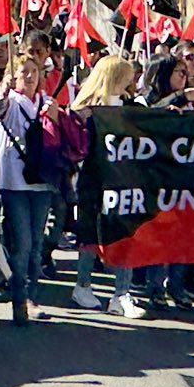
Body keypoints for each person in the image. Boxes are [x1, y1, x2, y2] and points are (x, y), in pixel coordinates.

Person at [67, 56, 144, 317]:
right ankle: (82, 286)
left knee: (125, 234)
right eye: (125, 77)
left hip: (123, 181)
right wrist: (85, 119)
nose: (130, 82)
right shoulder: (84, 109)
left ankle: (122, 293)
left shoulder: (131, 106)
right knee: (89, 234)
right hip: (93, 180)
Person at [0, 54, 62, 326]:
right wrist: (4, 87)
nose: (29, 76)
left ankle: (32, 297)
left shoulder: (48, 103)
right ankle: (19, 299)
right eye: (23, 71)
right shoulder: (10, 102)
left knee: (36, 244)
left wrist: (57, 118)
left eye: (34, 71)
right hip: (14, 182)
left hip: (42, 180)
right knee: (21, 244)